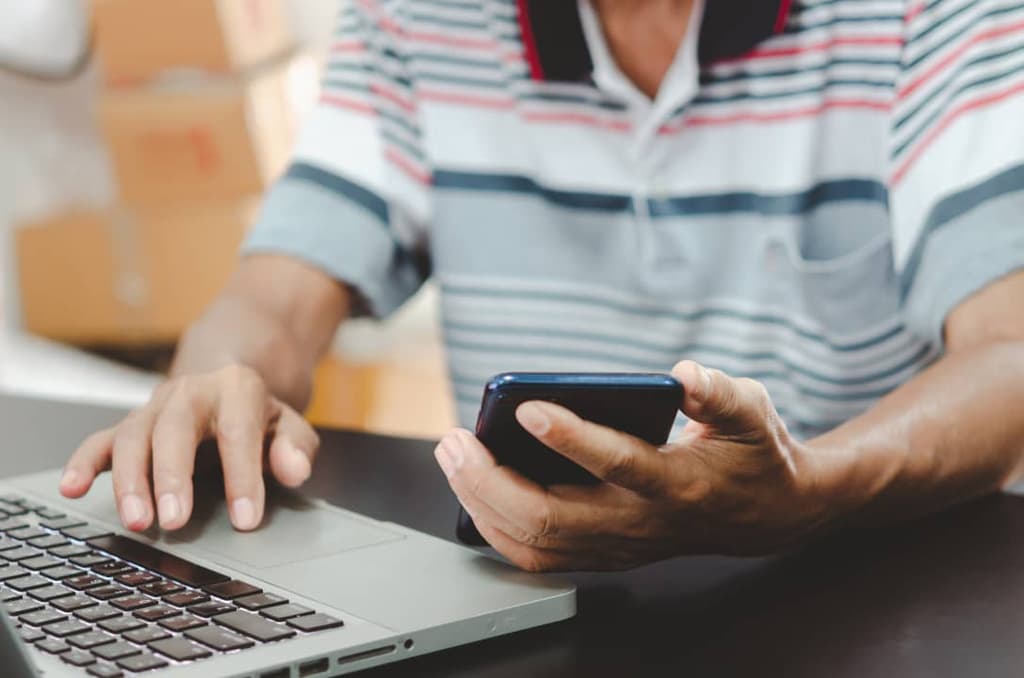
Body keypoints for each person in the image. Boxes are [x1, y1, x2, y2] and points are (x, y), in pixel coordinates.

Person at [60, 0, 1024, 572]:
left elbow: (1009, 352)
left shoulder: (932, 16)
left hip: (862, 589)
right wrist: (217, 381)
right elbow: (273, 299)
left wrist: (814, 486)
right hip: (526, 594)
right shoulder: (418, 18)